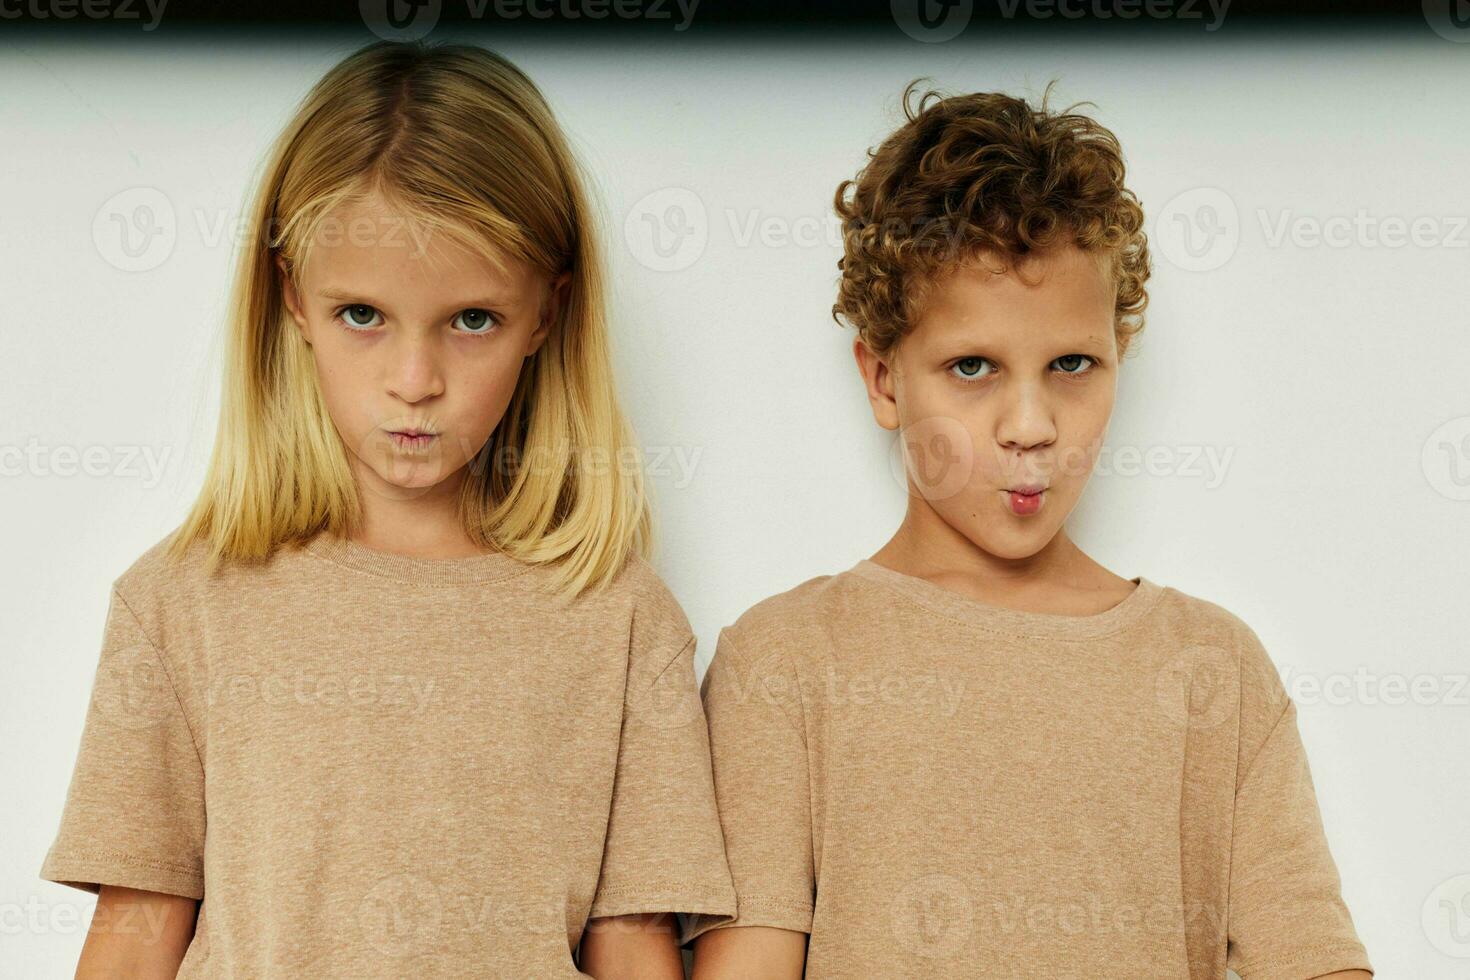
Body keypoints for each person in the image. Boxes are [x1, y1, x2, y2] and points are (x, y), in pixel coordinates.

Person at [40, 39, 734, 979]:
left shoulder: (622, 621)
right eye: (363, 315)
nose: (415, 381)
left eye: (472, 319)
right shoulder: (177, 603)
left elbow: (632, 943)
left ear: (547, 316)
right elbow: (135, 929)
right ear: (292, 298)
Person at [689, 81, 1373, 980]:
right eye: (972, 366)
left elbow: (1315, 963)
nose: (1030, 424)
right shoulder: (784, 661)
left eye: (1072, 365)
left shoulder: (1214, 667)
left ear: (1118, 358)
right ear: (884, 379)